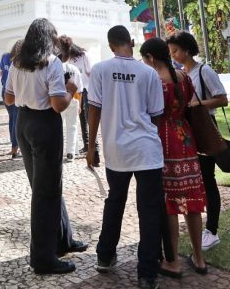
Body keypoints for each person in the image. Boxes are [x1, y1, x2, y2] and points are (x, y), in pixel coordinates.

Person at [5, 18, 87, 275]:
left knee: (46, 187)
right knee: (45, 192)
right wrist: (70, 88)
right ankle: (42, 258)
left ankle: (63, 239)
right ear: (48, 39)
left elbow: (8, 98)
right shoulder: (50, 63)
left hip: (24, 122)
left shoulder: (17, 62)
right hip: (44, 125)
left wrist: (26, 92)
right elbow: (58, 105)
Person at [86, 25, 164, 289]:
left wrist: (90, 146)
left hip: (116, 150)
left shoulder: (99, 70)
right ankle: (147, 274)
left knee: (115, 201)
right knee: (150, 211)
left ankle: (105, 256)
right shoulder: (148, 73)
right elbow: (156, 114)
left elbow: (93, 110)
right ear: (132, 42)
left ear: (110, 46)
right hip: (147, 150)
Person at [141, 36, 208, 278]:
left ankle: (173, 262)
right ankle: (199, 258)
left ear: (151, 58)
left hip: (164, 142)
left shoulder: (155, 81)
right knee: (192, 201)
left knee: (170, 204)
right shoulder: (183, 76)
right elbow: (189, 104)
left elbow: (152, 113)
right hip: (187, 140)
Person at [167, 31, 228, 252]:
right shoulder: (180, 73)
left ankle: (212, 230)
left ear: (186, 49)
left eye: (175, 50)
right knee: (198, 181)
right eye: (170, 51)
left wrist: (198, 104)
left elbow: (223, 99)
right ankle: (201, 226)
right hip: (187, 131)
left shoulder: (203, 71)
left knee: (208, 180)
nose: (172, 55)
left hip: (204, 128)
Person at [56, 37, 83, 162]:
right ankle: (71, 153)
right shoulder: (74, 69)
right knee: (72, 126)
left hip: (59, 99)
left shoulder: (55, 68)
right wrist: (80, 105)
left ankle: (59, 150)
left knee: (59, 126)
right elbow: (79, 89)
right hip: (73, 99)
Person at [1, 44, 21, 159]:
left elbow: (1, 72)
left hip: (5, 90)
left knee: (12, 119)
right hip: (16, 92)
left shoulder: (5, 57)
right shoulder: (20, 61)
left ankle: (13, 147)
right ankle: (15, 148)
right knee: (16, 121)